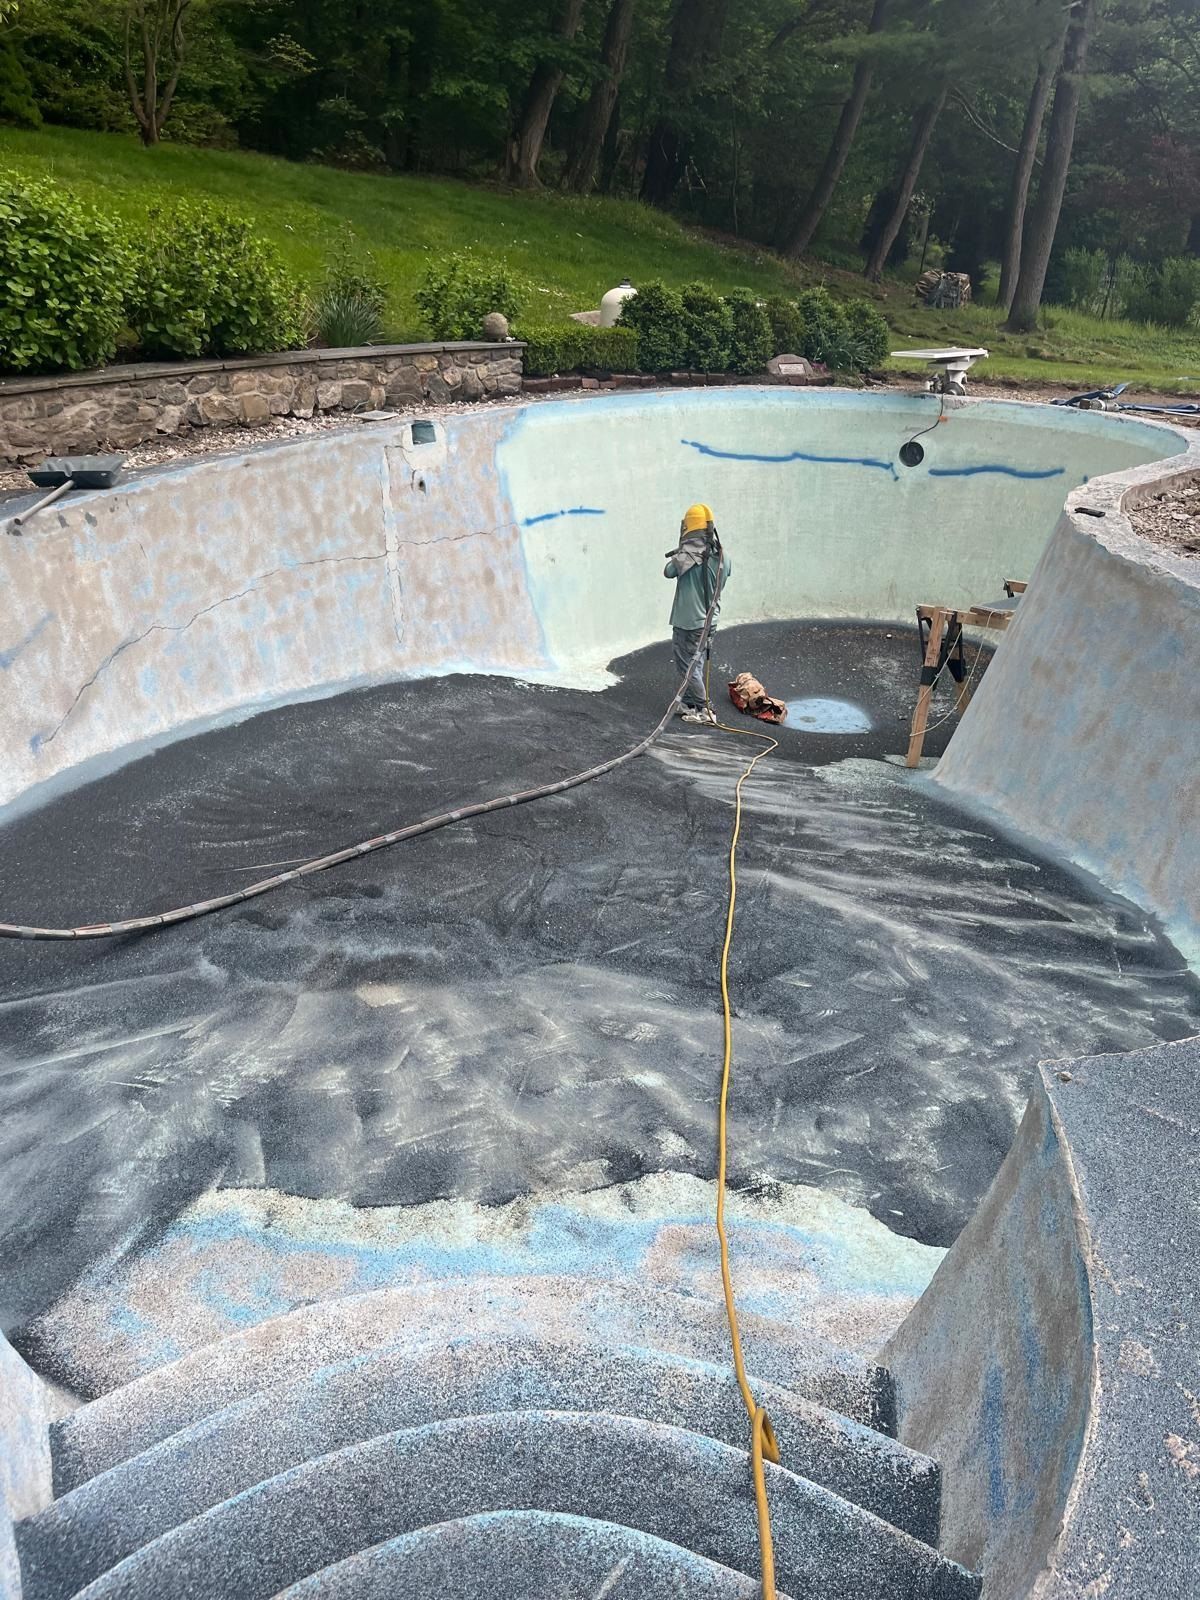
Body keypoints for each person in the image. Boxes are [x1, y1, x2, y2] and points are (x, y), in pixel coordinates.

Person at [664, 502, 730, 726]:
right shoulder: (722, 557)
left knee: (688, 665)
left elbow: (668, 571)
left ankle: (704, 708)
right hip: (709, 621)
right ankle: (690, 702)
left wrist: (682, 551)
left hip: (688, 621)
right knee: (697, 662)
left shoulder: (686, 557)